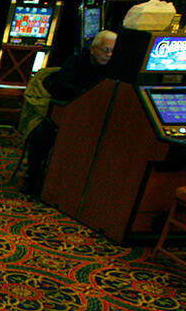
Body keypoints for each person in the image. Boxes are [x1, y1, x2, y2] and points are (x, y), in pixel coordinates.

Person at [21, 30, 116, 194]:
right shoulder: (76, 61)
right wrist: (86, 94)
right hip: (62, 114)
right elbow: (60, 88)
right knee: (41, 133)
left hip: (93, 120)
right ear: (93, 49)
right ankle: (33, 177)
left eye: (113, 51)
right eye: (105, 50)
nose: (109, 55)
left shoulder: (113, 70)